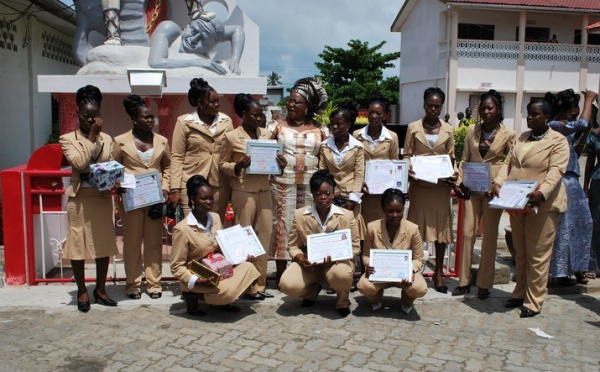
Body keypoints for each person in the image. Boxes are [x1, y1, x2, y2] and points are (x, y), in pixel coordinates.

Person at [492, 98, 569, 318]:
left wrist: (542, 192)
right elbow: (508, 163)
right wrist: (498, 182)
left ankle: (534, 301)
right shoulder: (522, 138)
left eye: (535, 114)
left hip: (542, 206)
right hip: (517, 203)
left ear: (547, 117)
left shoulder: (558, 141)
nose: (530, 117)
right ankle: (518, 293)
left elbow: (556, 171)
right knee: (521, 252)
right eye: (528, 113)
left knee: (538, 255)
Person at [218, 93, 287, 300]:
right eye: (255, 115)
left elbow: (271, 164)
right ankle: (243, 284)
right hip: (243, 191)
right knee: (243, 240)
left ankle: (259, 284)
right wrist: (238, 166)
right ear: (243, 114)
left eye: (261, 115)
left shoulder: (266, 135)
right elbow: (222, 164)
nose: (259, 119)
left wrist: (280, 167)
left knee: (264, 237)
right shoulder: (231, 137)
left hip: (264, 190)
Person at [59, 85, 118, 312]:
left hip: (101, 196)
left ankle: (100, 289)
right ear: (77, 115)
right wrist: (92, 138)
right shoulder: (67, 139)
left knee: (103, 244)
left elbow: (109, 164)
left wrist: (114, 179)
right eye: (86, 117)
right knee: (78, 245)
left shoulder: (108, 138)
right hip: (80, 197)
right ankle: (82, 289)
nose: (91, 120)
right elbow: (80, 163)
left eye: (95, 116)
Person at [453, 90, 516, 299]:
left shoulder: (508, 134)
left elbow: (509, 163)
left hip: (492, 191)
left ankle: (484, 283)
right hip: (472, 189)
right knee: (467, 233)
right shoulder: (472, 130)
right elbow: (464, 158)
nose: (486, 111)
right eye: (483, 108)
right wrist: (460, 182)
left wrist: (500, 183)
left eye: (490, 108)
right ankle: (463, 281)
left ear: (498, 110)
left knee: (489, 237)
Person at [170, 175, 261, 315]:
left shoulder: (216, 218)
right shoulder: (182, 229)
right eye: (204, 198)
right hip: (200, 276)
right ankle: (192, 295)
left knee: (249, 267)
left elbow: (223, 247)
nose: (208, 202)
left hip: (218, 270)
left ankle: (222, 298)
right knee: (228, 293)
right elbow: (176, 266)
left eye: (211, 198)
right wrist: (196, 280)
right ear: (193, 199)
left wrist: (242, 255)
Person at [269, 77, 329, 286]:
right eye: (290, 101)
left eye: (297, 102)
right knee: (282, 226)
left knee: (308, 228)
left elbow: (325, 158)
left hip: (310, 188)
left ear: (308, 107)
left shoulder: (320, 130)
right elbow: (262, 152)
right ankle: (279, 273)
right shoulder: (276, 127)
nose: (291, 105)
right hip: (282, 185)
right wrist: (273, 161)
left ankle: (309, 272)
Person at [112, 95, 171, 300]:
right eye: (145, 117)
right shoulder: (120, 141)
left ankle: (154, 284)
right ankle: (133, 284)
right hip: (131, 199)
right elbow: (114, 167)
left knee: (154, 242)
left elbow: (168, 166)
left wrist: (165, 189)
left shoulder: (161, 141)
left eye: (151, 117)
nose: (150, 120)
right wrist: (117, 184)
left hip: (154, 197)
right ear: (134, 119)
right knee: (132, 242)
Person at [278, 171, 360, 317]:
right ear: (312, 194)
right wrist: (300, 258)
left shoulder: (346, 216)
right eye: (318, 194)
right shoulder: (300, 215)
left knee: (342, 275)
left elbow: (355, 246)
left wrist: (338, 257)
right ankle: (312, 292)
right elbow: (293, 245)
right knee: (287, 285)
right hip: (310, 263)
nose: (323, 197)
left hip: (337, 263)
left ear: (333, 193)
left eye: (327, 193)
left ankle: (342, 301)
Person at [404, 87, 455, 294]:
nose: (433, 109)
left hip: (440, 188)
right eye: (430, 105)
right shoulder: (413, 127)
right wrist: (410, 169)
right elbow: (407, 154)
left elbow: (451, 156)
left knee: (441, 231)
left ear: (441, 107)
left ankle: (439, 274)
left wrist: (453, 173)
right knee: (416, 228)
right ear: (424, 105)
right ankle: (414, 270)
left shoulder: (449, 129)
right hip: (420, 186)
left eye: (437, 106)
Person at [547, 89, 597, 285]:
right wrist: (589, 99)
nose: (574, 118)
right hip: (562, 181)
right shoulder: (554, 125)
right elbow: (583, 123)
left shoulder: (562, 127)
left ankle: (578, 266)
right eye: (571, 115)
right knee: (565, 228)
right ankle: (559, 273)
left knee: (582, 224)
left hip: (572, 179)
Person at [170, 78, 233, 219]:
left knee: (216, 226)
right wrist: (175, 189)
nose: (217, 105)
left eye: (218, 101)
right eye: (212, 101)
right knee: (193, 229)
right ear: (200, 102)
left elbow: (231, 153)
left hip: (219, 185)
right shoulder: (184, 122)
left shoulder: (226, 121)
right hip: (191, 184)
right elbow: (177, 156)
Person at [357, 188, 427, 314]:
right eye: (390, 211)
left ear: (403, 209)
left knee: (419, 288)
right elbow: (366, 255)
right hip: (380, 273)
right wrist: (368, 264)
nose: (394, 215)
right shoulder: (372, 227)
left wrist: (409, 270)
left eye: (399, 211)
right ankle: (376, 298)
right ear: (383, 210)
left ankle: (407, 300)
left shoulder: (413, 229)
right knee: (363, 285)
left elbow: (418, 258)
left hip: (403, 275)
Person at [354, 94, 400, 225]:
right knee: (362, 228)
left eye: (378, 113)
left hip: (382, 193)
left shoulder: (392, 137)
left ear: (384, 115)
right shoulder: (357, 135)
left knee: (379, 228)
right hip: (363, 193)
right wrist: (359, 182)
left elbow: (395, 163)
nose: (374, 116)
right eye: (371, 112)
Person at [319, 100, 365, 217]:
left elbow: (359, 174)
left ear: (348, 125)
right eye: (332, 124)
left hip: (350, 198)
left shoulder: (357, 147)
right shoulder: (325, 146)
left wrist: (353, 199)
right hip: (330, 198)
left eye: (339, 124)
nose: (334, 127)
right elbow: (323, 172)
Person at [585, 126, 600, 277]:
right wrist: (585, 185)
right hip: (597, 181)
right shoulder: (595, 135)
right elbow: (589, 161)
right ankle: (593, 264)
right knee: (595, 221)